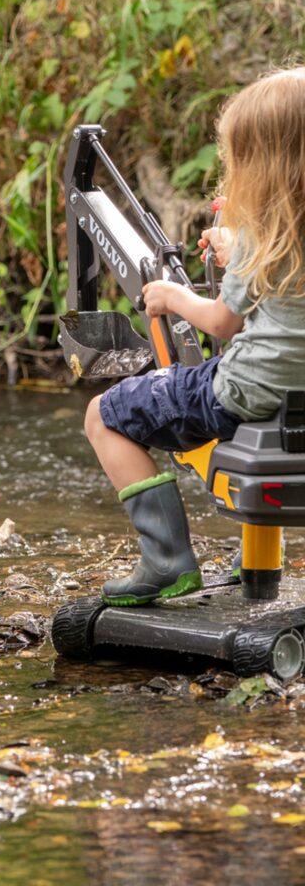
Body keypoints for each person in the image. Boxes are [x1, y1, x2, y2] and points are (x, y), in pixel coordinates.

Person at [84, 66, 305, 605]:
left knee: (105, 415)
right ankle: (253, 557)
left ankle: (165, 561)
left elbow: (221, 322)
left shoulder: (259, 237)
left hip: (246, 393)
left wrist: (169, 296)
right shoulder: (271, 240)